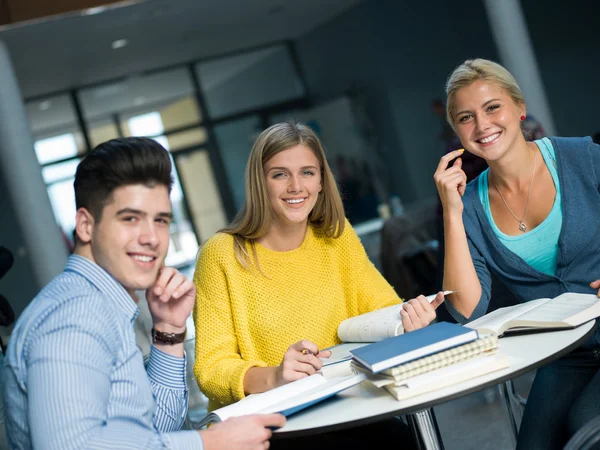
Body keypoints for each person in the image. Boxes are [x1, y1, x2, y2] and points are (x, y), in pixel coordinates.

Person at [3, 137, 285, 450]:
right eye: (131, 218)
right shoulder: (75, 315)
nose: (152, 237)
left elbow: (152, 427)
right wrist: (209, 443)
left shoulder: (101, 305)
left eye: (161, 220)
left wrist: (169, 330)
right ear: (85, 225)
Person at [193, 121, 445, 449]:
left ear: (322, 181)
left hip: (347, 406)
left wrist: (408, 319)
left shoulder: (336, 238)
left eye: (308, 173)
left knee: (404, 442)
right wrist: (274, 375)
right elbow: (211, 368)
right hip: (271, 426)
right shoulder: (222, 254)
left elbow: (383, 308)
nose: (296, 186)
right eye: (280, 174)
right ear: (260, 182)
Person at [433, 58, 600, 450]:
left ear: (519, 108)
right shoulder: (469, 204)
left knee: (586, 429)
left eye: (493, 107)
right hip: (565, 352)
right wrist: (452, 214)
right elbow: (467, 312)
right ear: (457, 131)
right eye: (466, 117)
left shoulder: (584, 159)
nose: (482, 124)